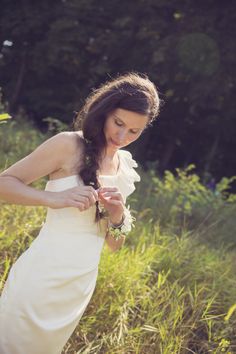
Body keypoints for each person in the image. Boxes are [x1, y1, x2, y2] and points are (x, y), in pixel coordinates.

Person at [0, 72, 160, 354]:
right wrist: (55, 198)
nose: (121, 137)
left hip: (78, 287)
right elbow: (4, 184)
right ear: (104, 112)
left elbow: (114, 245)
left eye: (134, 132)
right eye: (118, 123)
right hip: (40, 279)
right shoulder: (68, 145)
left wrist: (118, 214)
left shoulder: (125, 167)